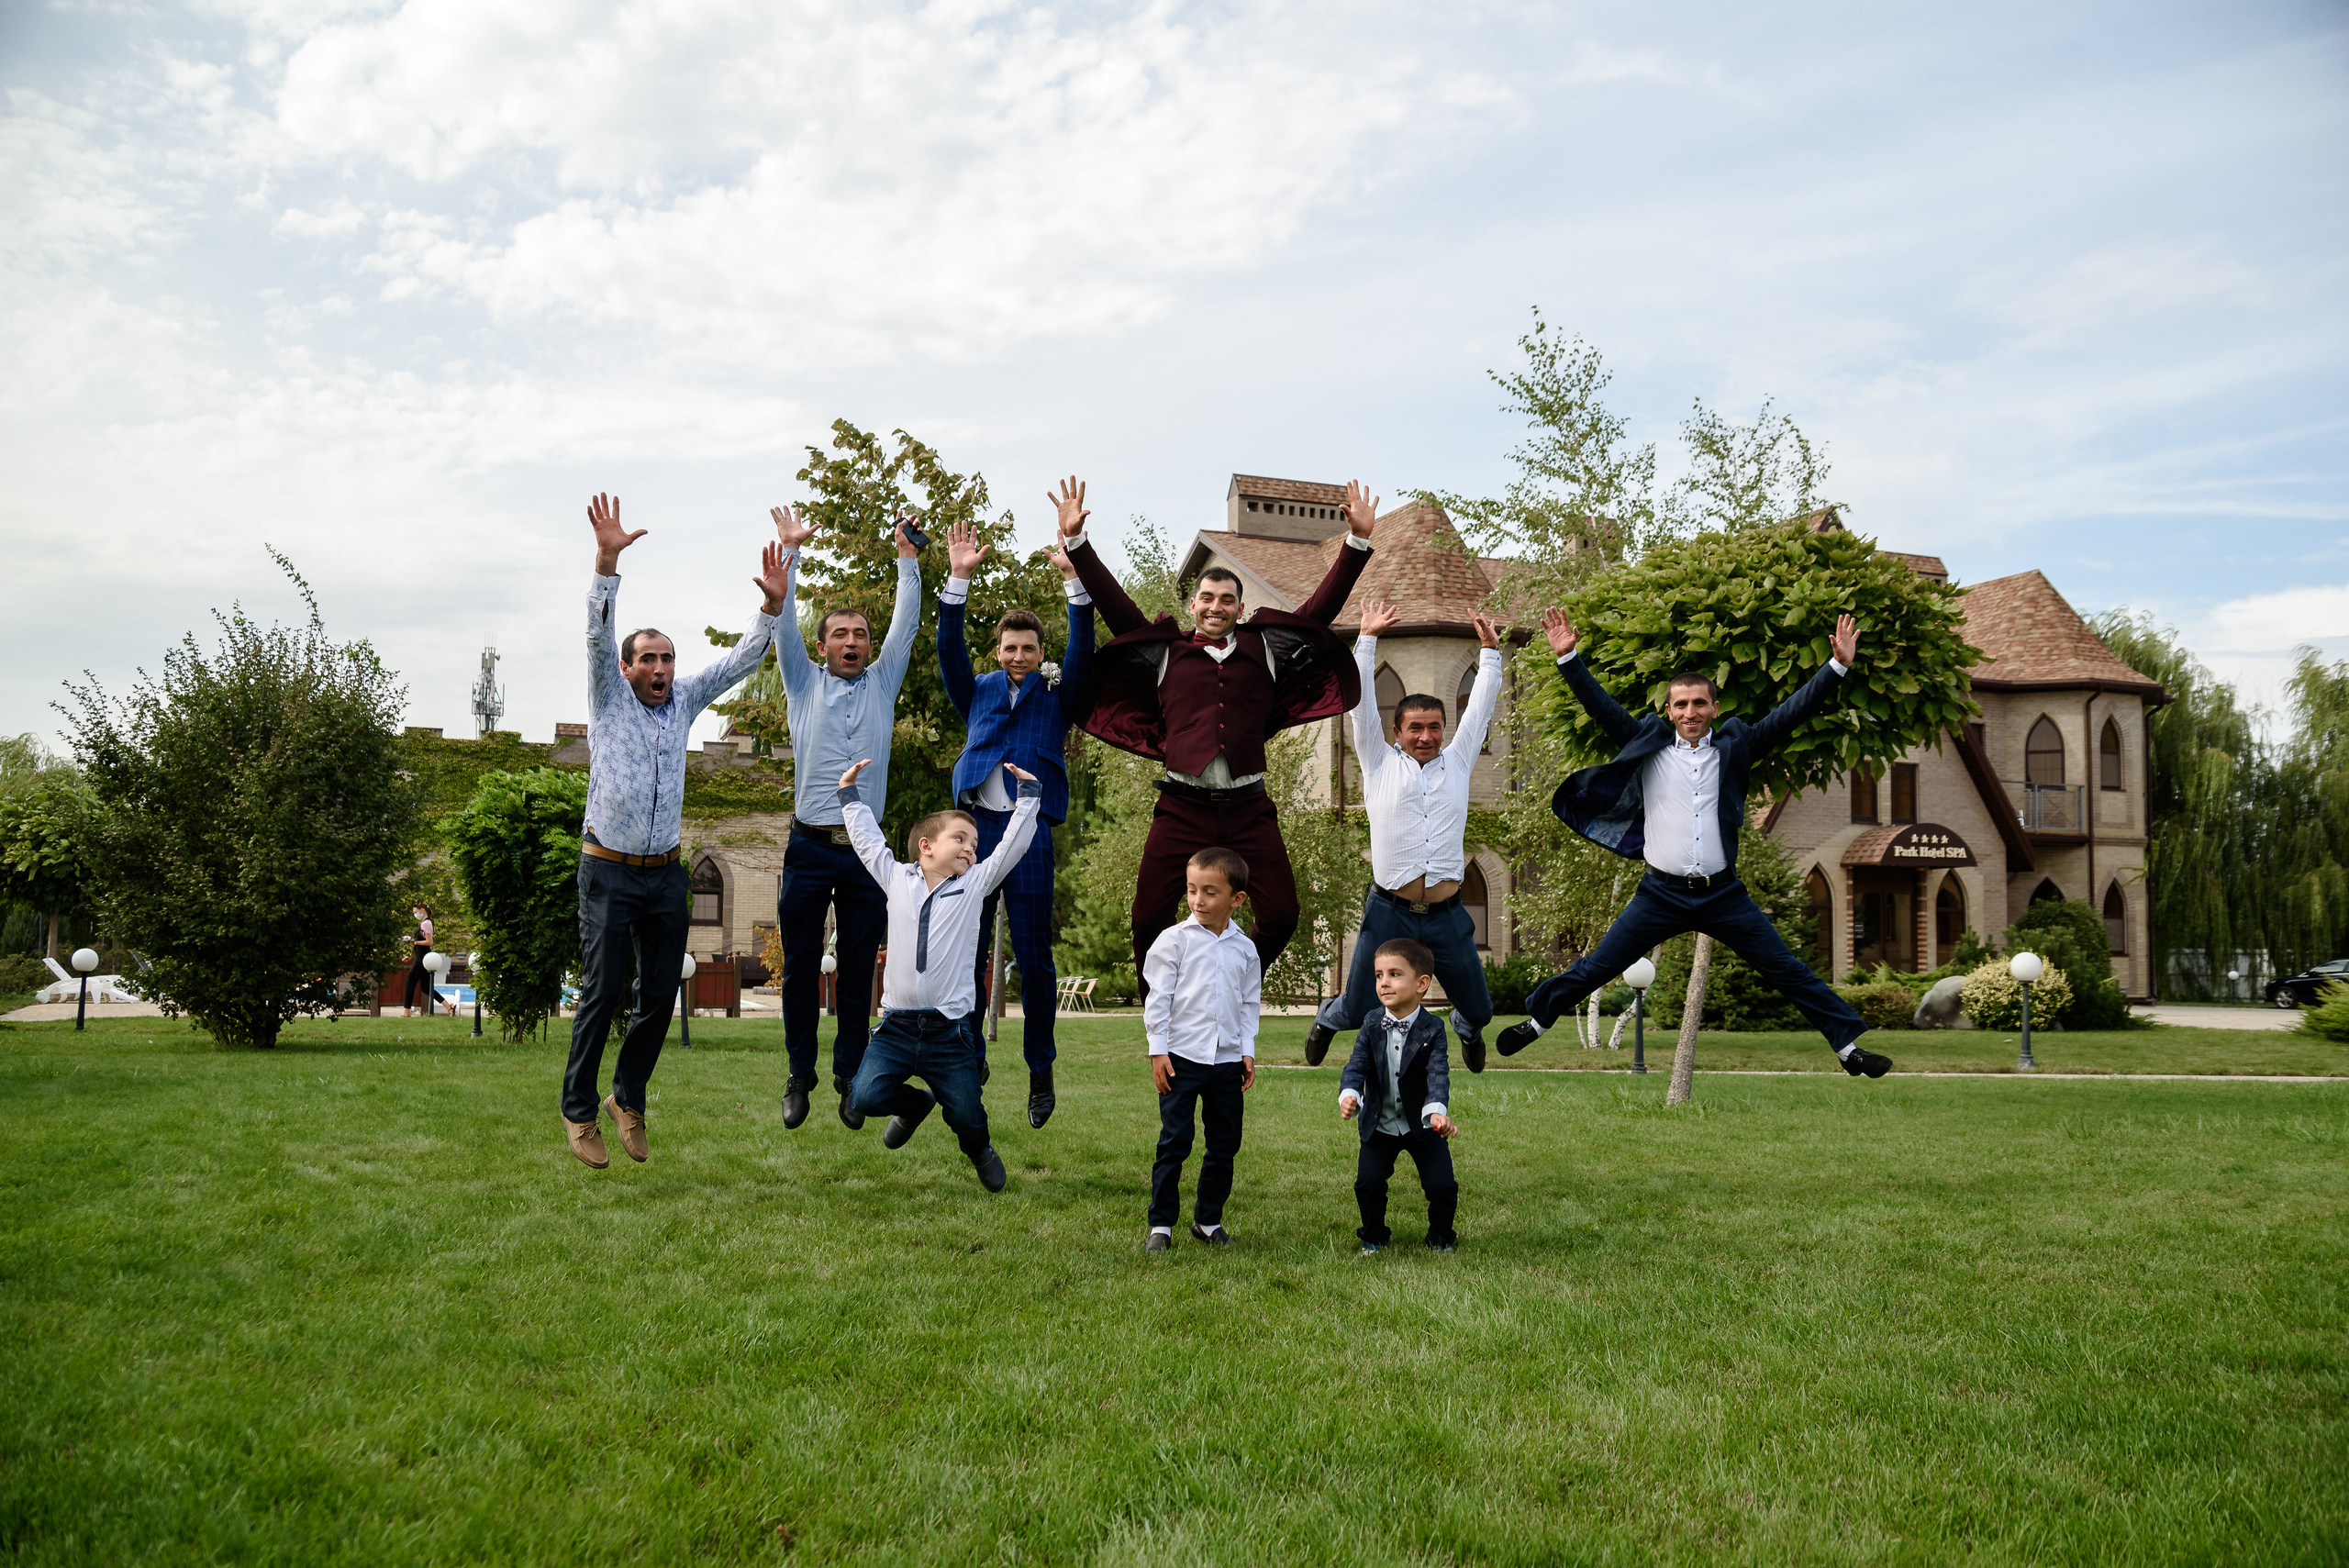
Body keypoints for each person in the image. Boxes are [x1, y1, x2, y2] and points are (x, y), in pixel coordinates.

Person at [1492, 607, 1895, 1077]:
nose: (1690, 712)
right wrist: (1568, 658)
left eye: (1699, 703)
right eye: (1681, 704)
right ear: (1669, 710)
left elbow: (1791, 713)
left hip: (1723, 894)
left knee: (1788, 970)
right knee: (1599, 965)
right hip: (1659, 894)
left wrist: (1837, 667)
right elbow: (1602, 708)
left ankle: (1849, 1051)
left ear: (1714, 709)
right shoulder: (1651, 746)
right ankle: (1539, 1021)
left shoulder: (1737, 747)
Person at [1054, 476, 1374, 990]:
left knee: (1283, 915)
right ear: (1192, 605)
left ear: (1241, 609)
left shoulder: (1266, 647)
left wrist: (1355, 544)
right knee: (1146, 918)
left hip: (1249, 806)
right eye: (1207, 597)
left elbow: (1317, 615)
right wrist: (1078, 544)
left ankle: (1235, 982)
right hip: (1182, 805)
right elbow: (1118, 610)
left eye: (1227, 599)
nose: (1216, 606)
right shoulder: (1167, 653)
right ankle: (1164, 1006)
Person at [564, 493, 796, 1170]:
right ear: (628, 667)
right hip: (606, 866)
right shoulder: (608, 696)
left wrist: (772, 607)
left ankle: (627, 1098)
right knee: (604, 988)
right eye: (649, 660)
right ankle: (578, 1108)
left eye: (668, 659)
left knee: (661, 992)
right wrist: (607, 562)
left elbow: (741, 664)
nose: (662, 670)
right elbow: (595, 635)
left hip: (664, 871)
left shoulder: (685, 701)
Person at [935, 520, 1095, 1129]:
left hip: (1028, 832)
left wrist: (1074, 583)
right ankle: (970, 1055)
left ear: (1040, 651)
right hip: (975, 832)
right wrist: (959, 578)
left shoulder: (1059, 694)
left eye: (1029, 648)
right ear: (998, 652)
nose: (1019, 656)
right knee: (965, 952)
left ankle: (1040, 1070)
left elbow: (1081, 654)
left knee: (1034, 956)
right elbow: (949, 647)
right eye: (1010, 648)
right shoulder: (975, 690)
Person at [1302, 599, 1504, 1073]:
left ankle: (1466, 1029)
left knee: (1480, 1010)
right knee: (1357, 1009)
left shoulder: (1457, 762)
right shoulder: (1378, 762)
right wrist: (1367, 639)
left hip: (1445, 916)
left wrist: (1490, 653)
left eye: (1435, 727)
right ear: (1398, 731)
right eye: (1416, 728)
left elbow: (1480, 709)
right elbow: (1359, 706)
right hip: (1389, 910)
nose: (1426, 736)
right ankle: (1326, 1019)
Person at [774, 513, 927, 1134]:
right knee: (802, 966)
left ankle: (849, 1076)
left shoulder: (882, 682)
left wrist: (906, 559)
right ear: (822, 646)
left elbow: (907, 624)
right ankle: (799, 1073)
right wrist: (790, 557)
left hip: (866, 852)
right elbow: (782, 622)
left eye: (860, 634)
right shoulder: (802, 681)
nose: (853, 641)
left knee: (860, 970)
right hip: (809, 847)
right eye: (840, 634)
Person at [835, 756, 1042, 1193]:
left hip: (950, 1033)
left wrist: (1027, 799)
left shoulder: (975, 885)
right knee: (864, 1096)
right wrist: (849, 796)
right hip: (896, 1028)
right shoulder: (895, 878)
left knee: (967, 1113)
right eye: (961, 839)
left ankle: (981, 1150)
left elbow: (1012, 847)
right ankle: (913, 1105)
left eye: (974, 842)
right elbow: (869, 842)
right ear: (926, 847)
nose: (972, 848)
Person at [1141, 847, 1261, 1251]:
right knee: (1174, 1141)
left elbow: (1248, 1003)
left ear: (1236, 899)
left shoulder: (1245, 949)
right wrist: (1159, 1051)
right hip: (1181, 1059)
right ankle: (1161, 1224)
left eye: (1210, 892)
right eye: (1192, 890)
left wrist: (1247, 1051)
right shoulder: (1173, 941)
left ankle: (1208, 1220)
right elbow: (1158, 999)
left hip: (1226, 1062)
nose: (1198, 900)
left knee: (1225, 1144)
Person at [1338, 938, 1461, 1254]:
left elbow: (1438, 1073)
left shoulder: (1433, 1029)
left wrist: (1436, 1111)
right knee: (1368, 1183)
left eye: (1394, 974)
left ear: (1421, 983)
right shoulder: (1371, 1023)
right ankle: (1374, 1236)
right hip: (1380, 1123)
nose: (1384, 983)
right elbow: (1357, 1065)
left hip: (1422, 1124)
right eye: (1379, 975)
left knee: (1442, 1186)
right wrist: (1350, 1094)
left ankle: (1440, 1238)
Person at [403, 903, 437, 1018]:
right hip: (421, 957)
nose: (415, 915)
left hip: (422, 959)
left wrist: (414, 942)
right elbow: (420, 944)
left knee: (410, 984)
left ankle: (406, 1013)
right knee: (426, 988)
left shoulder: (426, 923)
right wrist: (410, 956)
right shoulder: (424, 923)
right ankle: (449, 1007)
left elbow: (429, 942)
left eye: (416, 912)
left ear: (422, 910)